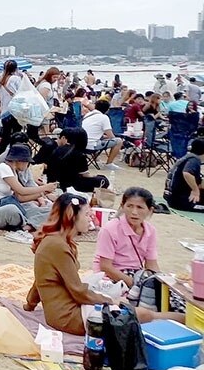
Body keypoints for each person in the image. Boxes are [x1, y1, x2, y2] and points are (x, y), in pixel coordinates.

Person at [25, 194, 117, 335]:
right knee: (128, 314)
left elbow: (40, 279)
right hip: (67, 317)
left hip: (62, 311)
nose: (90, 217)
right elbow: (78, 292)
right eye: (86, 214)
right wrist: (110, 301)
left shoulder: (58, 241)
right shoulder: (58, 245)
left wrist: (30, 304)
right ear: (72, 216)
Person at [93, 187, 189, 318]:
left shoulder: (150, 231)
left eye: (140, 207)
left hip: (136, 275)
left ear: (150, 211)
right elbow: (105, 266)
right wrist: (134, 283)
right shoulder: (110, 229)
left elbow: (151, 265)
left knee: (173, 297)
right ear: (122, 206)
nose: (134, 212)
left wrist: (158, 281)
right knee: (133, 303)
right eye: (129, 206)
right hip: (111, 276)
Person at [0, 144, 56, 231]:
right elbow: (21, 191)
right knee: (12, 210)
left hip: (7, 204)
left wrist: (42, 193)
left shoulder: (13, 172)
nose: (27, 165)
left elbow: (19, 198)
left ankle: (29, 224)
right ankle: (29, 223)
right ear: (19, 161)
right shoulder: (3, 168)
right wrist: (44, 187)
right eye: (27, 162)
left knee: (49, 211)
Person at [164, 138, 204, 212]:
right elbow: (187, 173)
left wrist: (196, 187)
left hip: (171, 196)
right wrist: (195, 190)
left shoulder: (187, 157)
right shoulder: (194, 160)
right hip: (179, 201)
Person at [81, 99, 123, 170]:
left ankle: (96, 159)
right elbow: (111, 136)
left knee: (100, 139)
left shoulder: (87, 115)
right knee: (119, 141)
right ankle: (109, 164)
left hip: (82, 145)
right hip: (92, 146)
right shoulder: (104, 117)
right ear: (107, 110)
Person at [0, 60, 24, 154]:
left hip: (5, 111)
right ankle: (13, 154)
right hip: (15, 110)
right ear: (16, 68)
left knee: (5, 136)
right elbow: (21, 93)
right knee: (16, 135)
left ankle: (1, 155)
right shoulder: (16, 78)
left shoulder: (0, 79)